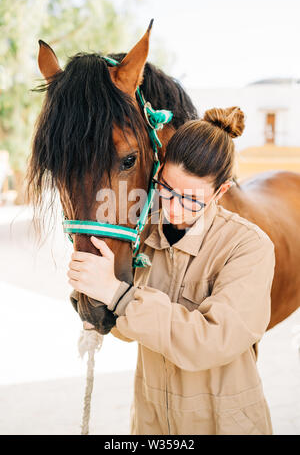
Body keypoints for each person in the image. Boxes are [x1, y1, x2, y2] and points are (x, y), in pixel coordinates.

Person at [67, 106, 276, 435]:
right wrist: (96, 292)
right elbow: (128, 329)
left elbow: (210, 341)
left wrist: (118, 295)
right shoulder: (146, 236)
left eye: (191, 200)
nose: (173, 207)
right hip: (152, 426)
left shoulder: (249, 247)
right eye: (165, 188)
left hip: (224, 426)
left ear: (220, 192)